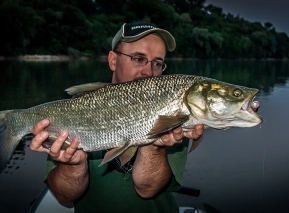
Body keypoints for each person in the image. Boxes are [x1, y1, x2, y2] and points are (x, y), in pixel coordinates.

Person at [30, 22, 204, 213]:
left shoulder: (173, 117)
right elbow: (65, 197)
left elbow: (147, 189)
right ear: (113, 60)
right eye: (138, 58)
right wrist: (73, 164)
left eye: (157, 63)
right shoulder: (74, 111)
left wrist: (155, 143)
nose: (149, 72)